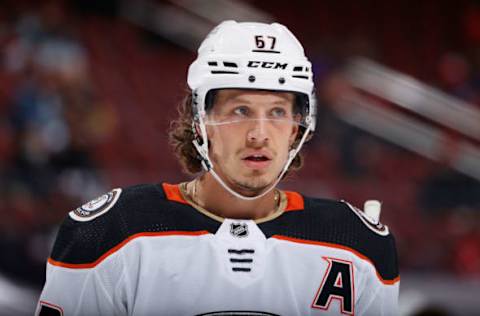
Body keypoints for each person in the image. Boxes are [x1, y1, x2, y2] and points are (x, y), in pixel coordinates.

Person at [36, 20, 399, 316]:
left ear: (297, 127)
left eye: (276, 112)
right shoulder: (112, 233)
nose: (259, 134)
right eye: (240, 111)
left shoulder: (358, 245)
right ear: (200, 121)